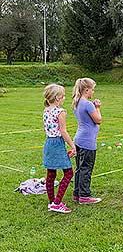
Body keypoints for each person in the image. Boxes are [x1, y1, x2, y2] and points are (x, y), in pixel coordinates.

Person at [43, 84, 76, 213]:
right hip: (57, 143)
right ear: (57, 98)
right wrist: (72, 145)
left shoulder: (46, 110)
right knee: (68, 173)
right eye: (63, 96)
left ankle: (52, 202)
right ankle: (57, 204)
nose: (64, 98)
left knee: (51, 173)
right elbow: (63, 131)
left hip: (48, 143)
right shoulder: (60, 112)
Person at [72, 78, 102, 204]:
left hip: (79, 140)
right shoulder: (88, 104)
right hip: (87, 142)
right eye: (92, 89)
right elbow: (98, 120)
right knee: (86, 168)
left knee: (80, 167)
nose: (93, 92)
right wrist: (98, 107)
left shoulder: (77, 102)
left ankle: (77, 193)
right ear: (86, 90)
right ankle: (84, 196)